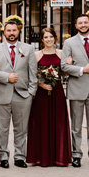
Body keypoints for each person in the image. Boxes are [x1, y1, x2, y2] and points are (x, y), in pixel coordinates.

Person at [0, 21, 37, 169]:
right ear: (4, 32)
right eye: (9, 30)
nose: (11, 33)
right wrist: (6, 76)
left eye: (14, 30)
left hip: (23, 95)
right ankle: (3, 156)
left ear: (18, 31)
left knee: (21, 128)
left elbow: (32, 73)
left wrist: (31, 93)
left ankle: (20, 157)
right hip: (1, 94)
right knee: (2, 128)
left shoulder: (28, 49)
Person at [61, 14, 89, 168]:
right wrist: (81, 69)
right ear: (76, 25)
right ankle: (76, 155)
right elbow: (64, 66)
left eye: (86, 22)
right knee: (76, 125)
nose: (83, 25)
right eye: (80, 23)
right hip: (77, 86)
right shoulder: (69, 43)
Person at [26, 28, 71, 167]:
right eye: (46, 37)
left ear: (55, 38)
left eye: (51, 37)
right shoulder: (37, 55)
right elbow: (31, 75)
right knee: (42, 122)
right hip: (42, 93)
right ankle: (42, 157)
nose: (49, 39)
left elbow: (64, 73)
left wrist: (68, 65)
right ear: (42, 40)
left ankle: (58, 157)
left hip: (57, 92)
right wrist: (41, 84)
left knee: (58, 123)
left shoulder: (61, 54)